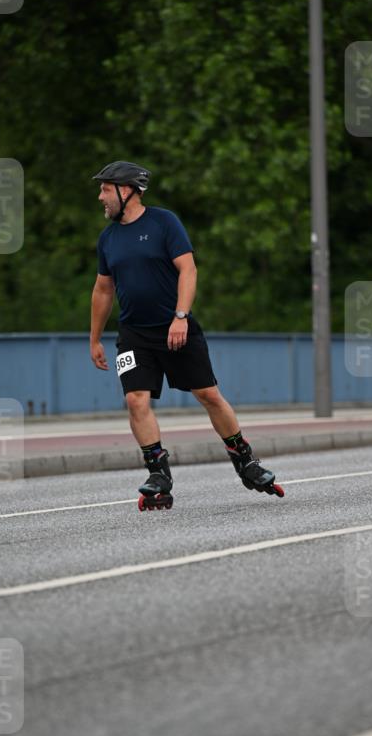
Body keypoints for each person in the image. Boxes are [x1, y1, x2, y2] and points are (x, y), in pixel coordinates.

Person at [89, 160, 284, 510]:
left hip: (175, 327)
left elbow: (188, 269)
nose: (100, 196)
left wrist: (180, 316)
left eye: (105, 188)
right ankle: (158, 474)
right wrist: (94, 338)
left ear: (127, 190)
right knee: (136, 398)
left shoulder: (164, 222)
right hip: (134, 334)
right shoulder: (108, 238)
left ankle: (246, 461)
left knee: (208, 394)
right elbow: (103, 289)